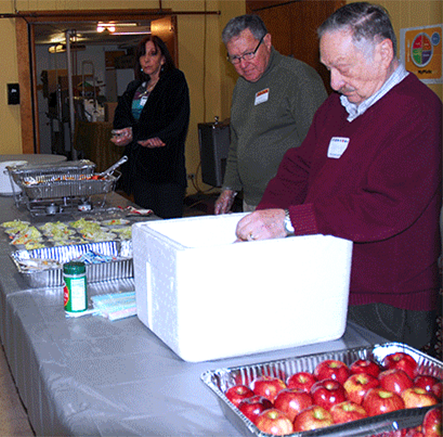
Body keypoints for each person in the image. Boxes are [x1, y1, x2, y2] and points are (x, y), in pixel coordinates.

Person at [234, 2, 443, 350]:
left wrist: (288, 221)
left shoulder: (419, 112)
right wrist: (264, 217)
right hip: (331, 280)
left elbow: (386, 207)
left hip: (388, 298)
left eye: (342, 67)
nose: (334, 82)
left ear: (383, 51)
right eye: (328, 68)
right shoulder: (337, 106)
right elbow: (297, 168)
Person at [214, 15, 327, 214]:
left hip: (289, 203)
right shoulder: (241, 86)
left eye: (249, 54)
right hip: (251, 201)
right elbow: (237, 143)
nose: (243, 64)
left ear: (267, 42)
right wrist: (229, 189)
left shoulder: (298, 79)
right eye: (235, 58)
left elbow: (319, 147)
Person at [111, 35, 190, 219]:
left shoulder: (174, 81)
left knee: (167, 226)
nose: (146, 59)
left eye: (153, 54)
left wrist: (137, 134)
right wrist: (136, 135)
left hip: (166, 170)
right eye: (142, 55)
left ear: (163, 59)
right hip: (140, 171)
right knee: (145, 223)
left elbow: (173, 120)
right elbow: (120, 118)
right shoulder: (135, 87)